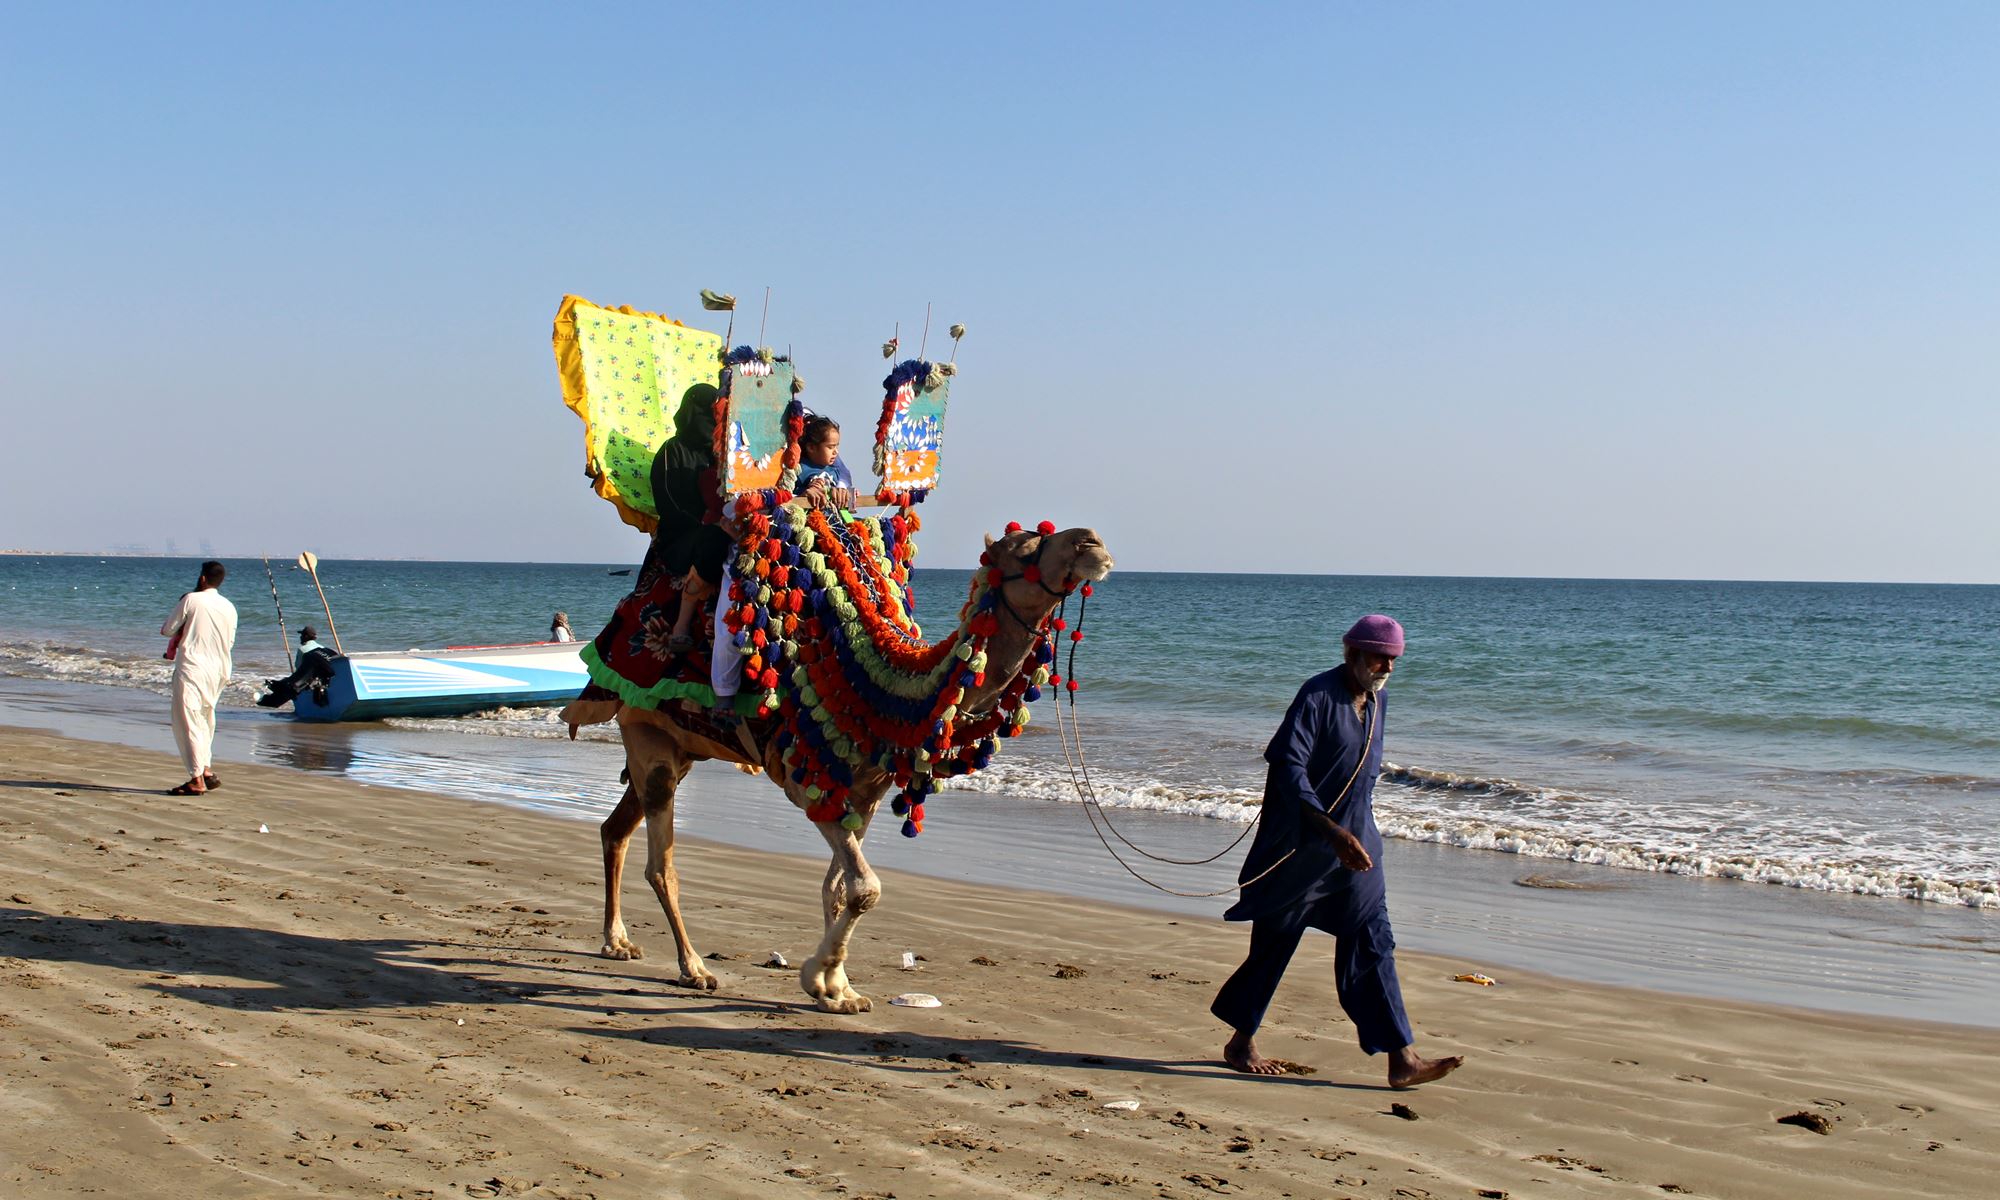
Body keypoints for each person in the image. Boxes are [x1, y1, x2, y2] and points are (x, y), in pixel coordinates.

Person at [1209, 614, 1464, 1089]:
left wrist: (1354, 835)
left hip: (1358, 844)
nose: (1387, 667)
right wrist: (1330, 832)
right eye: (1379, 657)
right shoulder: (1318, 694)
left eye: (1394, 659)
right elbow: (1288, 764)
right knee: (1274, 945)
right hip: (1301, 847)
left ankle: (1402, 1057)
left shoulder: (1378, 700)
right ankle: (1241, 1042)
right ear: (1353, 653)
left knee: (1374, 941)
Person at [649, 384, 733, 654]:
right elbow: (670, 502)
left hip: (723, 526)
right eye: (707, 412)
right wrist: (709, 523)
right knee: (715, 540)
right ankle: (681, 626)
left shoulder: (723, 452)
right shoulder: (671, 450)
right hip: (682, 536)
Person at [159, 561, 238, 795]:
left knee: (188, 721)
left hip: (193, 667)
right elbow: (230, 641)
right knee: (205, 719)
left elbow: (167, 630)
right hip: (219, 669)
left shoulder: (192, 599)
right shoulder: (229, 607)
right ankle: (205, 770)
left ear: (203, 578)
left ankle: (197, 779)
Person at [257, 626, 339, 708]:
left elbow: (299, 667)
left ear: (306, 636)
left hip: (300, 683)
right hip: (324, 678)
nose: (300, 637)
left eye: (302, 635)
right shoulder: (322, 648)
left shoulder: (303, 649)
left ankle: (265, 696)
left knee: (284, 687)